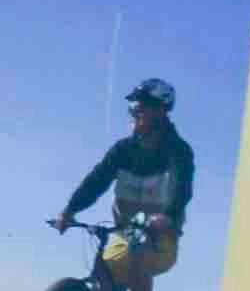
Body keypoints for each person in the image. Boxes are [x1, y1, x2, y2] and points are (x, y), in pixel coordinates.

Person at [59, 74, 195, 259]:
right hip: (125, 235)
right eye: (133, 107)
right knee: (106, 272)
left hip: (161, 237)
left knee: (136, 261)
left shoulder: (178, 151)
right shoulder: (123, 150)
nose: (134, 112)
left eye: (141, 107)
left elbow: (180, 186)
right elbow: (97, 180)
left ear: (160, 111)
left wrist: (168, 216)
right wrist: (70, 210)